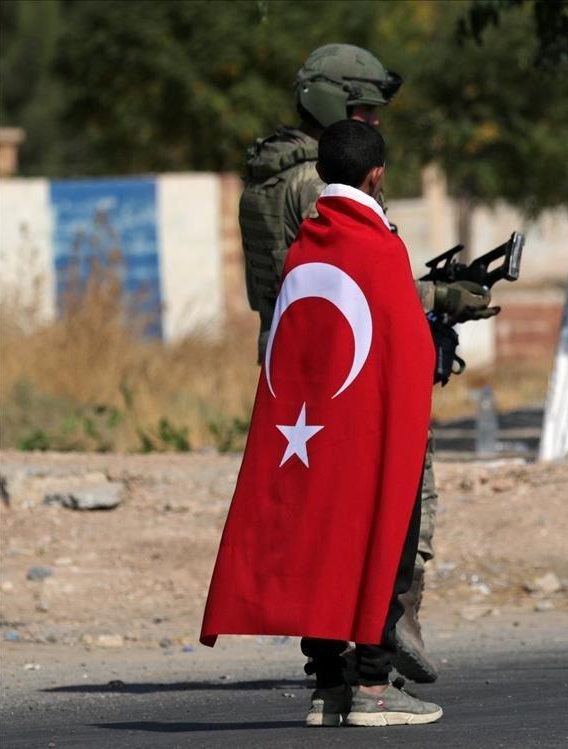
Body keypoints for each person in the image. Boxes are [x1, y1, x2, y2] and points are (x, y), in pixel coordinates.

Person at [238, 43, 495, 684]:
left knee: (317, 505)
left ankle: (333, 653)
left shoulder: (268, 178)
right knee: (400, 500)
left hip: (295, 369)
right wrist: (445, 296)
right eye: (362, 111)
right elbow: (358, 279)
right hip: (351, 369)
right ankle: (384, 635)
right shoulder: (317, 185)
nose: (374, 125)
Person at [203, 120, 442, 727]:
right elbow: (408, 351)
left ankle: (327, 688)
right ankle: (371, 691)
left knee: (318, 544)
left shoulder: (305, 246)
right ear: (377, 173)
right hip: (368, 437)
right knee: (381, 544)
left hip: (305, 436)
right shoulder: (379, 245)